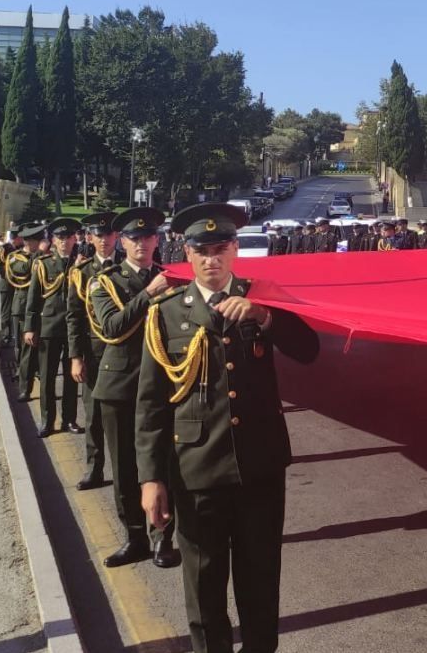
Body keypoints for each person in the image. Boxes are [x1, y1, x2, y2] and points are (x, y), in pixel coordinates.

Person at [136, 203, 320, 653]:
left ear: (235, 250)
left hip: (259, 464)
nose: (211, 260)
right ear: (187, 253)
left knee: (260, 579)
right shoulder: (166, 313)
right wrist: (151, 479)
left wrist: (263, 316)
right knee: (204, 584)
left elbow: (308, 349)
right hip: (196, 468)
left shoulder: (264, 297)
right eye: (201, 250)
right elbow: (151, 404)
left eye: (220, 248)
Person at [90, 207, 180, 569]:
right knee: (125, 466)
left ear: (157, 240)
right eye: (134, 238)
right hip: (121, 385)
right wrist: (148, 294)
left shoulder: (170, 277)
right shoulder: (105, 282)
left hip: (163, 384)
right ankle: (135, 537)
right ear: (122, 243)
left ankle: (163, 537)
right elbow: (112, 328)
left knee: (163, 463)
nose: (142, 243)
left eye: (148, 237)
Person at [68, 212, 117, 491]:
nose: (104, 240)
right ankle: (94, 468)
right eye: (99, 235)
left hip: (123, 351)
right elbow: (74, 317)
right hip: (94, 352)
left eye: (108, 234)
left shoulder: (125, 267)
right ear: (90, 238)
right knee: (93, 414)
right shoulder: (82, 273)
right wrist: (76, 357)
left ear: (116, 237)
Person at [27, 218, 82, 438]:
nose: (64, 242)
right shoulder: (44, 264)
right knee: (47, 377)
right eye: (60, 238)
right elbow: (33, 298)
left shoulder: (81, 264)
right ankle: (47, 421)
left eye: (68, 237)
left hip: (73, 329)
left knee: (72, 377)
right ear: (53, 240)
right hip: (49, 326)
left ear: (74, 239)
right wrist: (30, 327)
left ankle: (69, 419)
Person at [9, 224, 43, 399]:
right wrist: (39, 253)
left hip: (42, 308)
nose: (39, 244)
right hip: (23, 309)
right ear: (27, 242)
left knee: (42, 351)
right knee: (26, 350)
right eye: (36, 241)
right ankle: (24, 388)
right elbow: (24, 270)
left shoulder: (43, 257)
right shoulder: (16, 258)